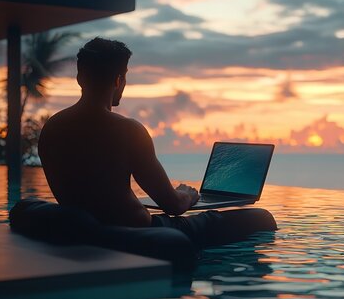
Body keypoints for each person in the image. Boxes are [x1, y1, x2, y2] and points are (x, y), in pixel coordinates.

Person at [38, 37, 276, 250]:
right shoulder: (127, 130)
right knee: (261, 217)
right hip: (143, 233)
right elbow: (172, 205)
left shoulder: (52, 128)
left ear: (80, 77)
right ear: (119, 80)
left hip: (91, 233)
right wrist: (187, 195)